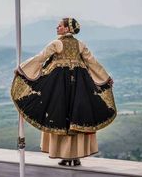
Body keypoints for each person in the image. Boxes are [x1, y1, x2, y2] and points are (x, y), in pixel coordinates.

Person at [11, 17, 116, 167]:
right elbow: (93, 63)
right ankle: (76, 156)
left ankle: (66, 156)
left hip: (59, 88)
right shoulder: (80, 45)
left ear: (67, 29)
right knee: (76, 117)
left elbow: (40, 58)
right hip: (79, 87)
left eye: (60, 26)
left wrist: (22, 69)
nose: (57, 28)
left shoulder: (57, 43)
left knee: (60, 116)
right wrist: (105, 78)